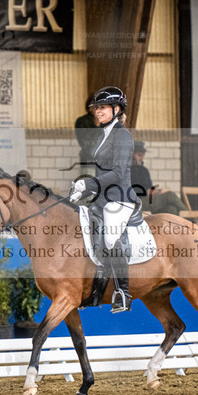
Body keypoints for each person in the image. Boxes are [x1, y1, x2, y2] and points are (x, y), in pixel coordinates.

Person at [69, 86, 137, 313]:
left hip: (120, 199)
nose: (98, 111)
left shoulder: (122, 136)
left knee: (109, 239)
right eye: (97, 107)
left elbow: (117, 173)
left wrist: (87, 184)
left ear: (117, 109)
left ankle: (123, 293)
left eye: (104, 107)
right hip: (102, 199)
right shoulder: (103, 135)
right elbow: (102, 174)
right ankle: (93, 289)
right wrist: (83, 192)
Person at [130, 141, 187, 215]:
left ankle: (183, 222)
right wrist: (145, 191)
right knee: (170, 195)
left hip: (149, 199)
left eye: (143, 156)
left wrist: (155, 191)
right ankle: (193, 218)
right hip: (137, 202)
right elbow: (127, 190)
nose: (142, 158)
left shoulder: (144, 170)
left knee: (171, 209)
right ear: (132, 155)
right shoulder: (127, 171)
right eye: (139, 155)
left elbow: (149, 187)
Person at [74, 94, 101, 175]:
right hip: (89, 164)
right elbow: (85, 143)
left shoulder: (104, 122)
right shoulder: (82, 122)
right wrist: (96, 125)